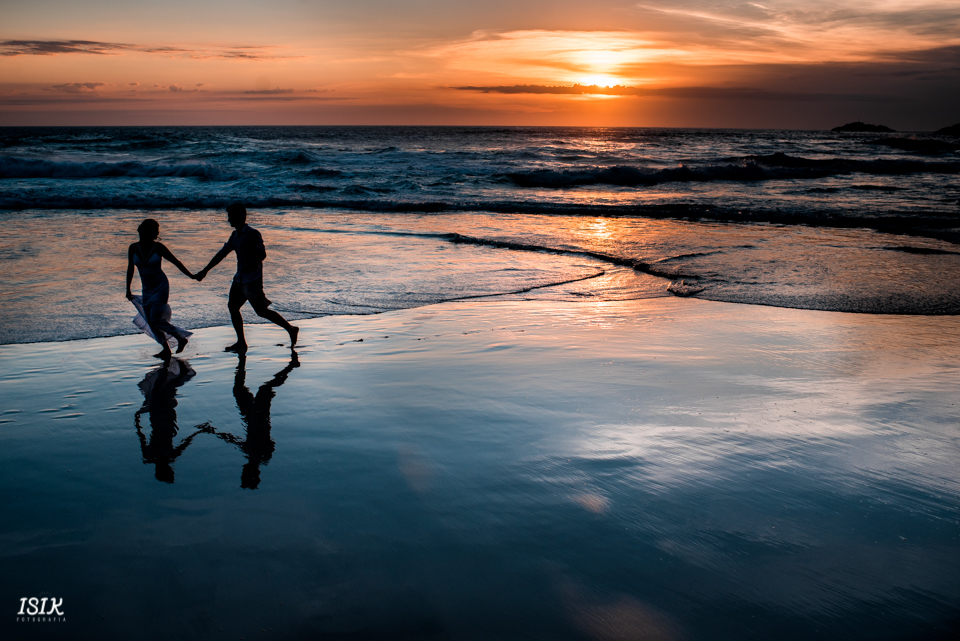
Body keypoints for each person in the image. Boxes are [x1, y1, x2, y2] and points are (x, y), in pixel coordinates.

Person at [195, 204, 298, 352]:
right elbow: (221, 254)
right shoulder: (235, 236)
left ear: (239, 217)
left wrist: (252, 261)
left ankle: (291, 329)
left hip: (252, 280)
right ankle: (241, 342)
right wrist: (205, 270)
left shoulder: (253, 234)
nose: (228, 219)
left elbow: (262, 254)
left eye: (230, 216)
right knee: (233, 307)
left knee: (261, 311)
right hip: (239, 279)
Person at [126, 218, 194, 360]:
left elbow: (176, 262)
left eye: (155, 231)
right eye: (152, 230)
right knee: (151, 322)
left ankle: (181, 337)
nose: (155, 233)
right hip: (147, 289)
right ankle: (166, 350)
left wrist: (191, 276)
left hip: (161, 286)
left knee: (156, 319)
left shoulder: (159, 247)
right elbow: (130, 269)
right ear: (142, 230)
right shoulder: (133, 248)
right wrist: (127, 289)